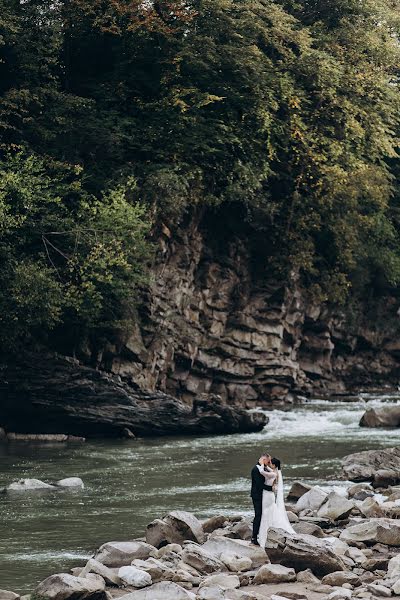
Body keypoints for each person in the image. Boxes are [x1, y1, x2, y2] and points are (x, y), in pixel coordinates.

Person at [257, 456, 295, 548]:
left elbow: (263, 472)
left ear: (274, 465)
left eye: (270, 463)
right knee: (270, 511)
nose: (269, 464)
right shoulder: (276, 472)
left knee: (267, 513)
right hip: (269, 495)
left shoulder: (274, 473)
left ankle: (265, 533)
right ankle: (268, 529)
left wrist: (261, 464)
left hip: (268, 495)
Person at [250, 453, 271, 545]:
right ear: (263, 459)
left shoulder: (263, 468)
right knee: (258, 515)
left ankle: (261, 534)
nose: (269, 462)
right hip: (257, 495)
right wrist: (271, 489)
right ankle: (254, 537)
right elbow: (259, 484)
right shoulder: (256, 469)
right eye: (268, 460)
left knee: (263, 515)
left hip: (264, 495)